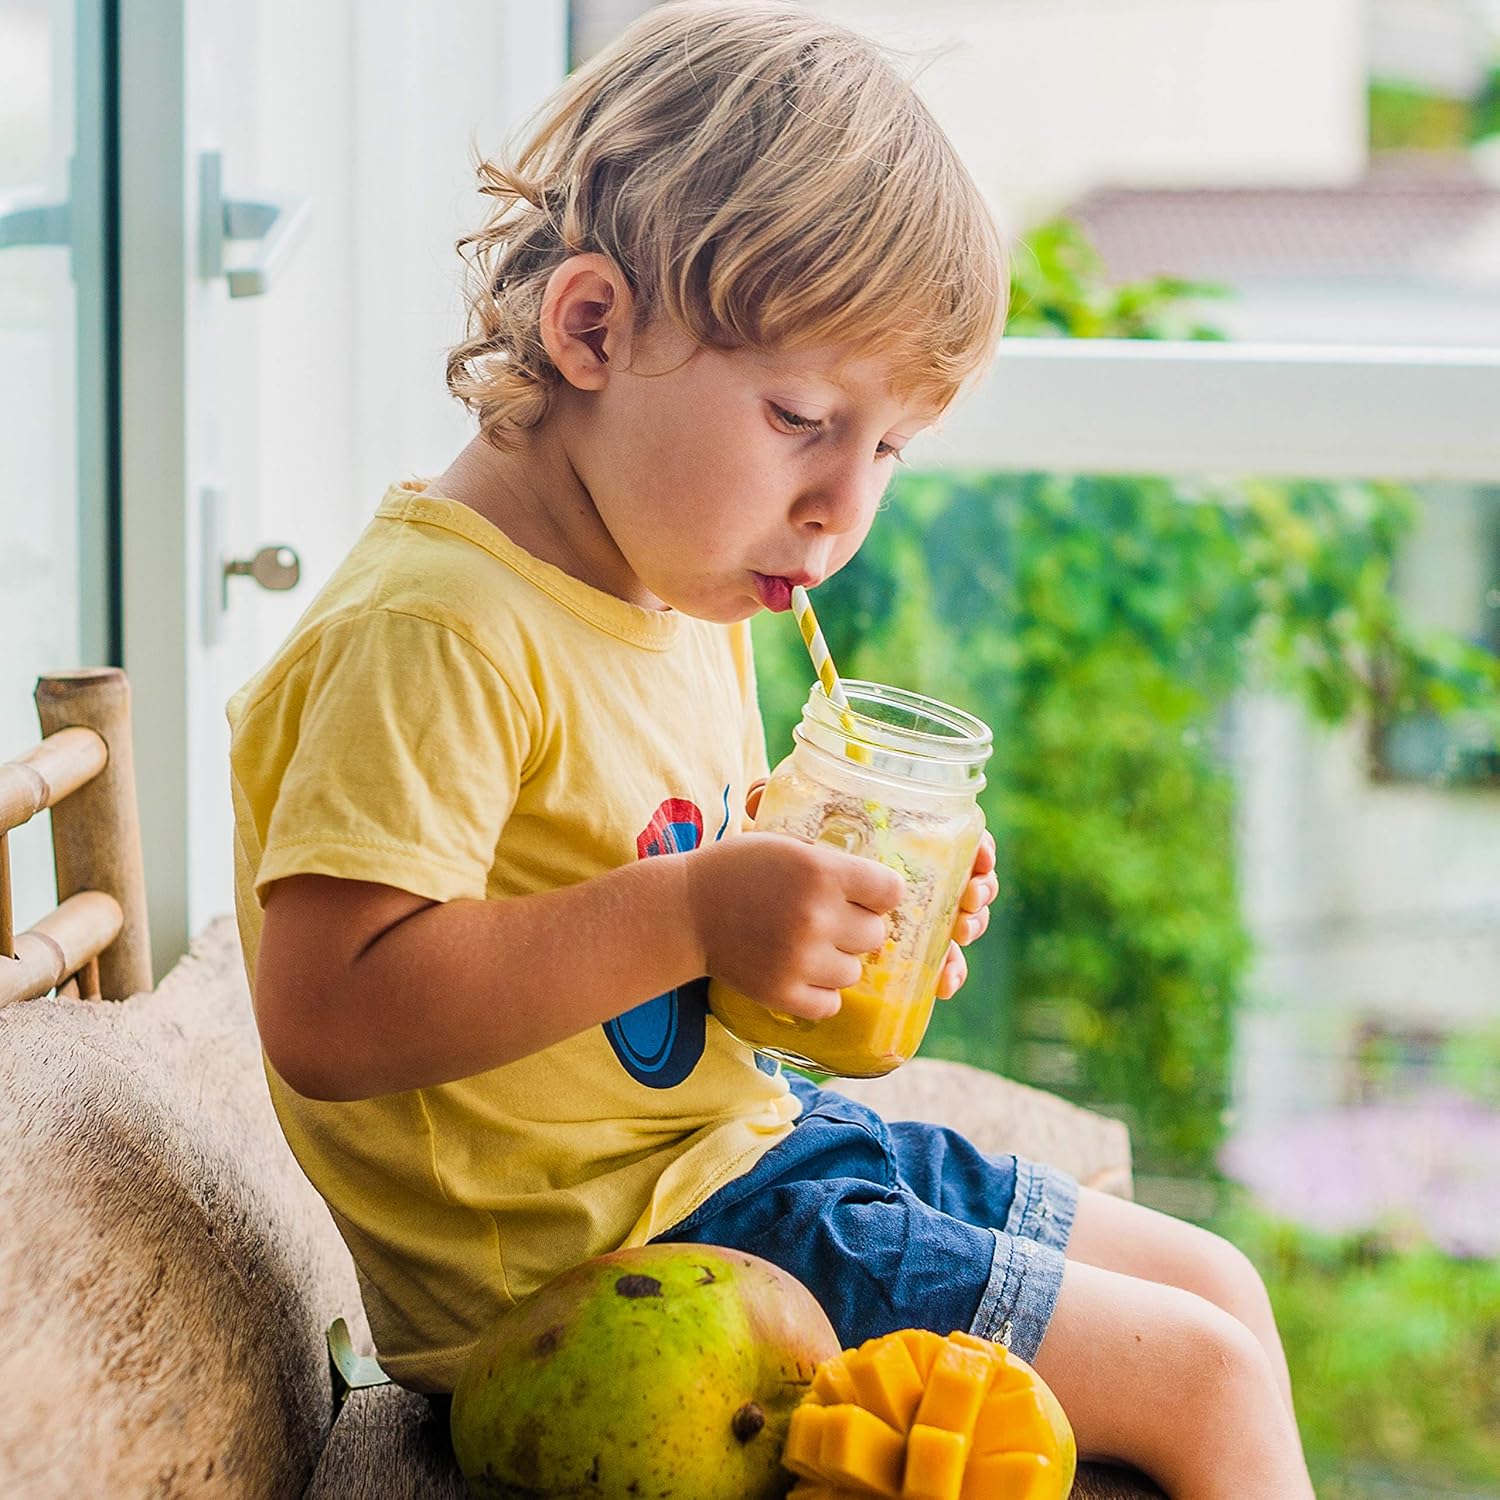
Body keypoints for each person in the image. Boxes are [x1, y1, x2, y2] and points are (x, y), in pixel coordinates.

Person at [227, 4, 1313, 1494]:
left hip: (738, 1151)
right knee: (1209, 1381)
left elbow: (673, 958)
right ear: (594, 328)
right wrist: (695, 909)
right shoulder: (441, 632)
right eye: (802, 416)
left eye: (888, 449)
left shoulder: (673, 576)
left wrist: (832, 915)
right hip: (602, 1272)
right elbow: (326, 1015)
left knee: (1224, 1291)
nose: (840, 509)